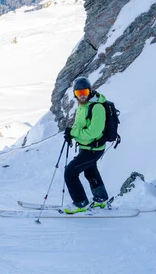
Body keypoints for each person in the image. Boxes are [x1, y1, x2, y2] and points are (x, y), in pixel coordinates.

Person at [62, 77, 110, 214]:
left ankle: (80, 203)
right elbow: (79, 126)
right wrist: (71, 134)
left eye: (84, 91)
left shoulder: (97, 107)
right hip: (87, 147)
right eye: (78, 93)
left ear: (90, 91)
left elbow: (93, 132)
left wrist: (74, 132)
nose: (82, 95)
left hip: (94, 148)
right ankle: (101, 199)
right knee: (90, 171)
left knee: (70, 172)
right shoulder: (82, 106)